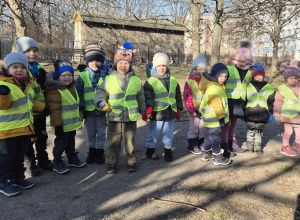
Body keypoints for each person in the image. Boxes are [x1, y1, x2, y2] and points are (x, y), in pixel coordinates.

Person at [95, 42, 146, 174]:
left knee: (130, 141)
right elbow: (100, 93)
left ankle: (131, 161)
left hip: (130, 117)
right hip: (114, 116)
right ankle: (112, 162)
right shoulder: (108, 79)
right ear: (116, 64)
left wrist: (144, 112)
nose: (123, 66)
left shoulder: (135, 80)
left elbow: (140, 97)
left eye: (126, 63)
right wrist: (101, 104)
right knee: (113, 141)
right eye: (120, 63)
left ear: (130, 65)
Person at [0, 52, 46, 196]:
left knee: (19, 157)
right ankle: (4, 182)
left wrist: (44, 108)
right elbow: (3, 105)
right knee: (6, 159)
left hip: (24, 129)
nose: (19, 70)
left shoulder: (27, 85)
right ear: (8, 69)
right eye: (15, 67)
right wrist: (3, 94)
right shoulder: (3, 84)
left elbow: (28, 103)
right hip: (6, 132)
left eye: (22, 67)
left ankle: (19, 178)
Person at [16, 36, 52, 176]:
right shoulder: (21, 71)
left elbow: (44, 88)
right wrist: (41, 106)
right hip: (28, 112)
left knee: (42, 137)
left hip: (41, 112)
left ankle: (43, 159)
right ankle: (31, 163)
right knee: (28, 139)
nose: (33, 53)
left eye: (35, 50)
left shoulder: (40, 68)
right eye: (28, 51)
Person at [46, 60, 86, 174]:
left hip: (71, 124)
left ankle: (71, 157)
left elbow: (74, 104)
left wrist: (80, 115)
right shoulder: (55, 91)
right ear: (58, 77)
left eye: (69, 75)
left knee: (70, 142)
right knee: (61, 144)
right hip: (62, 125)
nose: (67, 78)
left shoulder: (71, 87)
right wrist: (58, 125)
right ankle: (57, 161)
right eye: (63, 75)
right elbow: (54, 110)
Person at [143, 52, 183, 161]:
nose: (161, 68)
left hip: (170, 111)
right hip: (157, 112)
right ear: (155, 66)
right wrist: (149, 108)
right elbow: (148, 96)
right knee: (154, 133)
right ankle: (150, 149)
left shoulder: (173, 80)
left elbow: (178, 95)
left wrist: (179, 108)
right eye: (159, 66)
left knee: (168, 132)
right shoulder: (150, 81)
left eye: (164, 65)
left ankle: (168, 150)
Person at [75, 42, 110, 164]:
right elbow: (78, 92)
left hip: (102, 110)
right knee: (90, 132)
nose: (95, 63)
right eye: (91, 61)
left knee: (101, 132)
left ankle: (100, 152)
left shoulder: (106, 75)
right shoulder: (83, 75)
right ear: (87, 62)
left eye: (97, 60)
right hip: (88, 111)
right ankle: (92, 151)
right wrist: (81, 108)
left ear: (101, 62)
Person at [222, 39, 253, 154]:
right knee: (226, 123)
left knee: (233, 123)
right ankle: (224, 144)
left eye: (244, 63)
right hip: (229, 100)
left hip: (240, 101)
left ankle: (232, 143)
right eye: (239, 62)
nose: (241, 65)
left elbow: (247, 84)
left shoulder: (249, 69)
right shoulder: (229, 68)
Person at [199, 63, 231, 166]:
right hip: (215, 119)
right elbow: (217, 106)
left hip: (210, 119)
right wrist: (221, 118)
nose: (223, 79)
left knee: (210, 136)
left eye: (225, 76)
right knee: (215, 138)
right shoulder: (215, 89)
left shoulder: (215, 86)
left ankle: (205, 152)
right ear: (215, 76)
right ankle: (217, 157)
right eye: (221, 76)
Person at [244, 63, 275, 153]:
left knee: (258, 131)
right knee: (250, 130)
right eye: (256, 75)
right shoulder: (248, 86)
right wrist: (243, 110)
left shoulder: (268, 87)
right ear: (253, 75)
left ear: (264, 76)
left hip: (263, 113)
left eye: (261, 75)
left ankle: (258, 147)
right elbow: (244, 99)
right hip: (250, 112)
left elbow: (271, 101)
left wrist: (271, 112)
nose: (259, 77)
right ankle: (249, 147)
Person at [273, 60, 300, 156]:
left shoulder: (299, 89)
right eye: (291, 78)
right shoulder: (282, 90)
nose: (294, 80)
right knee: (288, 132)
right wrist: (277, 114)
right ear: (286, 78)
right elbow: (277, 103)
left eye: (296, 78)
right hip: (287, 116)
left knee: (299, 132)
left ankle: (297, 144)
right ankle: (285, 147)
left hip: (297, 116)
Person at [183, 54, 207, 154]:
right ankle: (192, 144)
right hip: (193, 111)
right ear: (192, 70)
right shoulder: (189, 82)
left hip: (204, 110)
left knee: (203, 128)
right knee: (194, 128)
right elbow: (187, 97)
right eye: (195, 69)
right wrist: (191, 110)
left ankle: (202, 143)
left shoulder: (207, 82)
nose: (198, 71)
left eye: (200, 69)